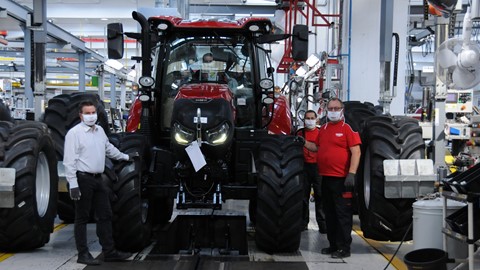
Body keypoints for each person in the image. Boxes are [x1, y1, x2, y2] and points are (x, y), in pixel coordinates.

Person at [64, 100, 139, 265]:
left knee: (105, 215)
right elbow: (69, 162)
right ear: (80, 115)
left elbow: (109, 149)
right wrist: (73, 184)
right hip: (82, 179)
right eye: (87, 113)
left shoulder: (99, 131)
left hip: (98, 179)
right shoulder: (74, 134)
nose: (91, 116)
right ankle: (83, 254)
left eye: (93, 112)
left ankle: (109, 251)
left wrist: (126, 157)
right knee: (82, 218)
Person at [304, 98, 361, 259]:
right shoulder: (324, 129)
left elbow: (356, 152)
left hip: (342, 179)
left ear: (342, 110)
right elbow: (316, 147)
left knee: (342, 214)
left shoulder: (347, 129)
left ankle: (344, 248)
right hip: (326, 178)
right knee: (330, 214)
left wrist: (351, 173)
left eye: (336, 108)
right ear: (326, 110)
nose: (333, 111)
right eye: (331, 108)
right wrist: (303, 142)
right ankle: (333, 244)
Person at [295, 110, 326, 233]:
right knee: (303, 197)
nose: (310, 120)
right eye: (307, 118)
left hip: (318, 168)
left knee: (320, 196)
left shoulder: (321, 133)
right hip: (303, 167)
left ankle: (323, 225)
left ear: (316, 119)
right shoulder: (299, 133)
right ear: (304, 120)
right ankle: (303, 223)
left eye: (312, 118)